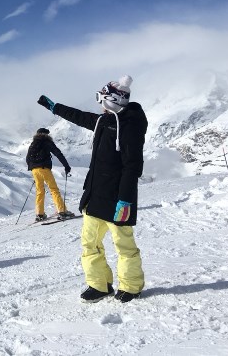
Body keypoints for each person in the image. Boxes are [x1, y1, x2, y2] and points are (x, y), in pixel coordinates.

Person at [38, 75, 146, 303]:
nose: (99, 105)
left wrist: (125, 199)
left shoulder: (130, 126)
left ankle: (131, 286)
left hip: (118, 199)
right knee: (89, 244)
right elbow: (79, 117)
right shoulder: (103, 121)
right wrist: (55, 108)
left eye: (101, 99)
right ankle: (99, 285)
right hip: (95, 195)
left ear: (113, 100)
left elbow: (133, 166)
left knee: (124, 245)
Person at [26, 127, 74, 222]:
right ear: (46, 134)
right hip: (44, 168)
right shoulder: (47, 142)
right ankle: (62, 211)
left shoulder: (33, 144)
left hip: (34, 170)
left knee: (40, 191)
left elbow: (28, 158)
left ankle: (40, 214)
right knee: (53, 189)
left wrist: (33, 167)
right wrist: (66, 166)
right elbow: (58, 153)